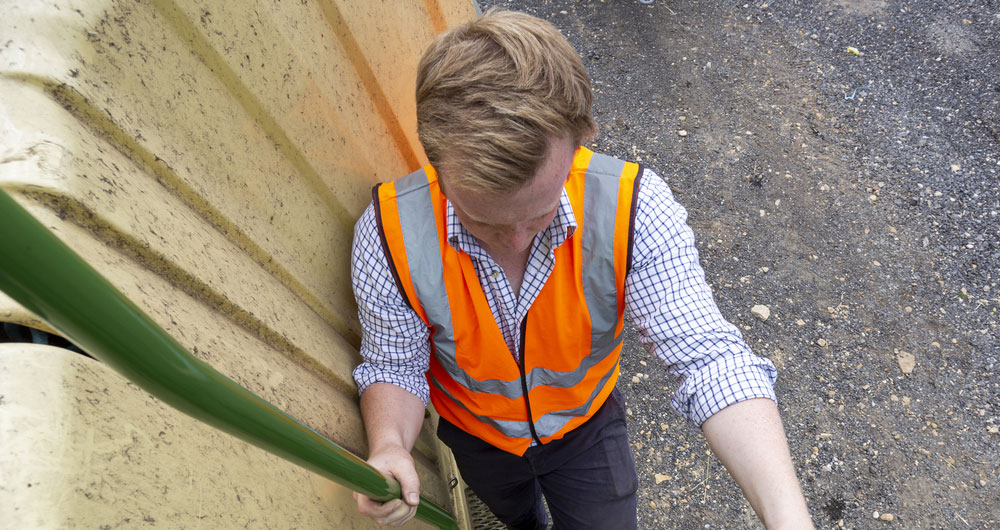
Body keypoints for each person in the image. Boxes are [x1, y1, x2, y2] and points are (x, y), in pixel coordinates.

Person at [350, 9, 813, 529]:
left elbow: (709, 360)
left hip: (586, 431)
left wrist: (789, 520)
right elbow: (395, 365)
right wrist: (389, 444)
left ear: (580, 138)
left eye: (540, 212)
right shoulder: (388, 233)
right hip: (474, 439)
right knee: (513, 519)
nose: (517, 239)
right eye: (482, 219)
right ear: (434, 160)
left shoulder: (633, 210)